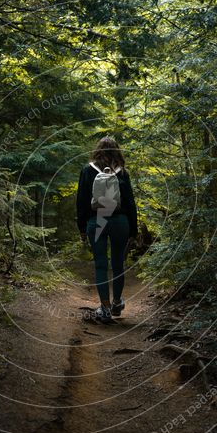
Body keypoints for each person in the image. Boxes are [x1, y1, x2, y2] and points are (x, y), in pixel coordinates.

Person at [76, 136, 138, 321]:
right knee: (118, 263)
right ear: (117, 151)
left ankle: (105, 308)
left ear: (97, 150)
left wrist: (81, 228)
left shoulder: (87, 170)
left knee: (101, 264)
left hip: (96, 221)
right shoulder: (122, 173)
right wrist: (133, 231)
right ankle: (117, 302)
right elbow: (130, 202)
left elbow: (81, 201)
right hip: (120, 221)